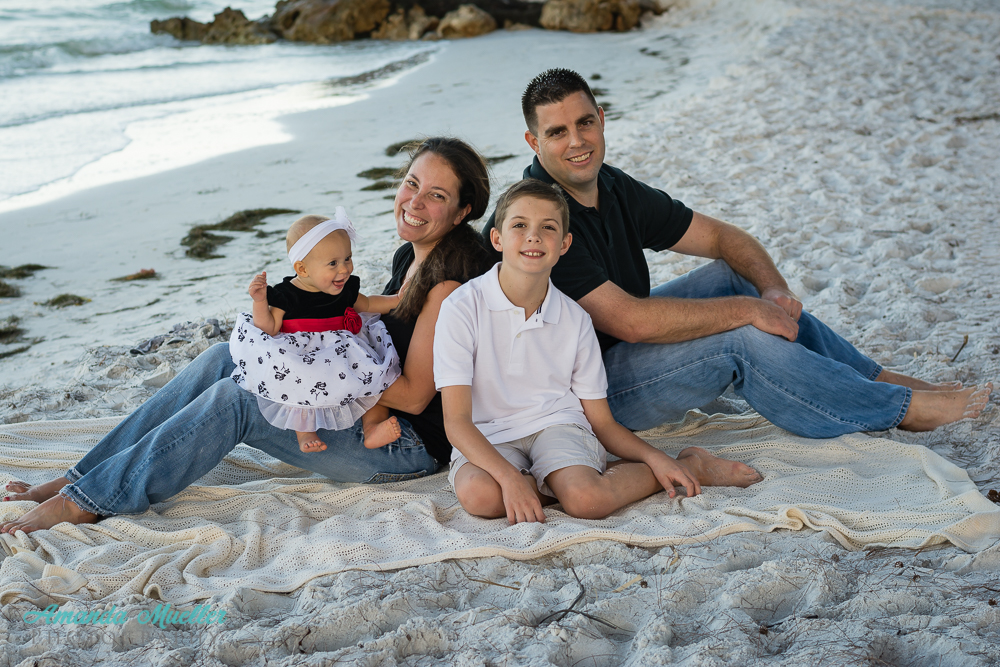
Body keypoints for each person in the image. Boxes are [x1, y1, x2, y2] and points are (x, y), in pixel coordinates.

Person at [0, 137, 494, 534]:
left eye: (437, 195)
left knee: (242, 399)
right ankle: (79, 478)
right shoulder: (412, 255)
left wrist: (309, 370)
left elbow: (412, 396)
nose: (415, 201)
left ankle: (86, 503)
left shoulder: (448, 283)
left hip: (406, 446)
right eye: (412, 183)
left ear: (462, 211)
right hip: (367, 410)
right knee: (223, 359)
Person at [481, 68, 992, 438]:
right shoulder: (538, 221)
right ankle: (896, 409)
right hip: (582, 399)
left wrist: (772, 290)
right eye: (557, 132)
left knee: (735, 277)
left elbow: (727, 239)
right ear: (532, 141)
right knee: (740, 338)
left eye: (585, 122)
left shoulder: (610, 185)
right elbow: (632, 322)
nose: (577, 141)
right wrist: (752, 310)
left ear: (602, 119)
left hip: (618, 353)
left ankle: (876, 379)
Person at [438, 179, 762, 525]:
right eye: (519, 225)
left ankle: (687, 466)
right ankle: (561, 481)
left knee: (586, 501)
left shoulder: (575, 319)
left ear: (564, 244)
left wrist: (656, 458)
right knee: (481, 496)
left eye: (548, 228)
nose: (533, 236)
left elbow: (602, 422)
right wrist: (508, 478)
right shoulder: (462, 308)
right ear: (497, 238)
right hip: (488, 433)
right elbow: (456, 421)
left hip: (556, 425)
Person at [232, 209, 402, 453]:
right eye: (333, 263)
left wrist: (398, 299)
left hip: (346, 354)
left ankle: (373, 427)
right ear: (302, 269)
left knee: (374, 381)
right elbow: (268, 328)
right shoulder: (286, 295)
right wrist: (260, 302)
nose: (344, 270)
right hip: (307, 356)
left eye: (347, 258)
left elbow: (369, 304)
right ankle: (305, 434)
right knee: (299, 385)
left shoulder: (344, 288)